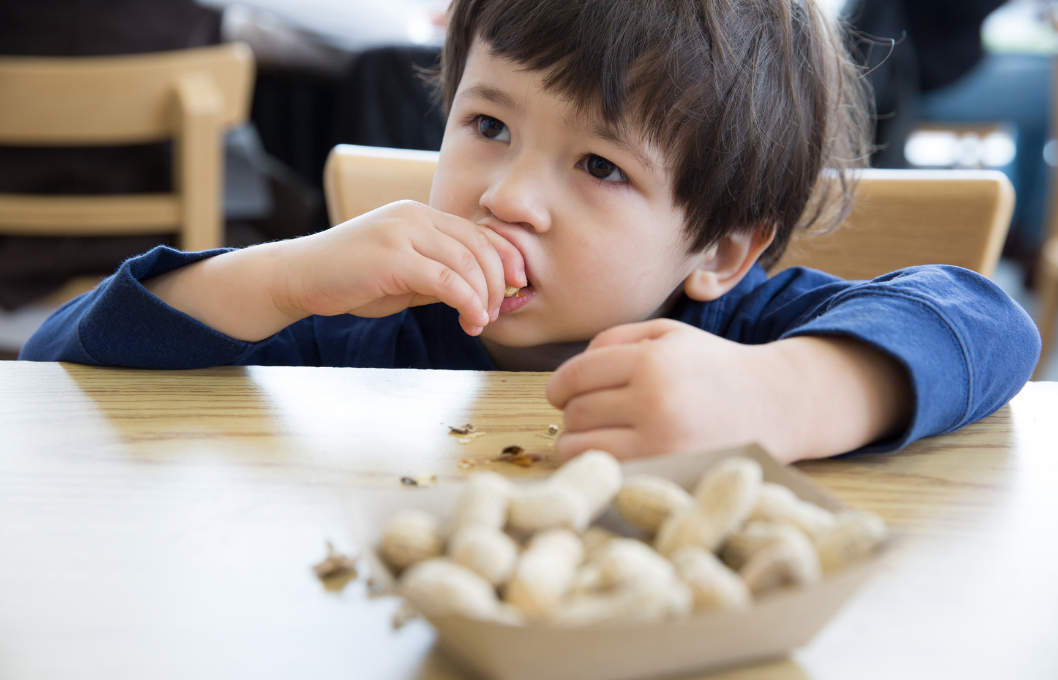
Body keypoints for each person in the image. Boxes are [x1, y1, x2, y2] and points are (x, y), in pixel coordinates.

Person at [20, 0, 1041, 465]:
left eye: (599, 165)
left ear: (717, 251)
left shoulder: (745, 336)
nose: (505, 194)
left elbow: (990, 322)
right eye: (487, 125)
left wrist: (786, 393)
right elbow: (56, 364)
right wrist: (277, 279)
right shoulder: (356, 331)